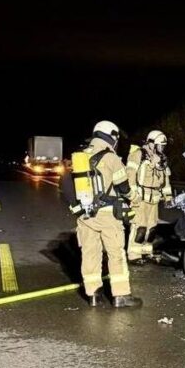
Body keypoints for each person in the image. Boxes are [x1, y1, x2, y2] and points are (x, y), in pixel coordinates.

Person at [76, 121, 142, 308]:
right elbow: (123, 187)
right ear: (111, 136)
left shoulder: (80, 156)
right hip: (107, 215)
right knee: (116, 254)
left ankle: (93, 295)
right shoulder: (111, 158)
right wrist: (135, 198)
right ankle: (121, 296)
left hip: (85, 214)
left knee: (90, 253)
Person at [126, 130, 172, 263]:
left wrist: (168, 197)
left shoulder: (161, 158)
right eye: (159, 145)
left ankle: (146, 252)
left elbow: (165, 179)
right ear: (151, 143)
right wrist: (133, 195)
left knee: (151, 228)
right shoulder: (138, 155)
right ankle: (134, 255)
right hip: (140, 198)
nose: (161, 148)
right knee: (139, 227)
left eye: (163, 146)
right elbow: (130, 176)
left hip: (155, 198)